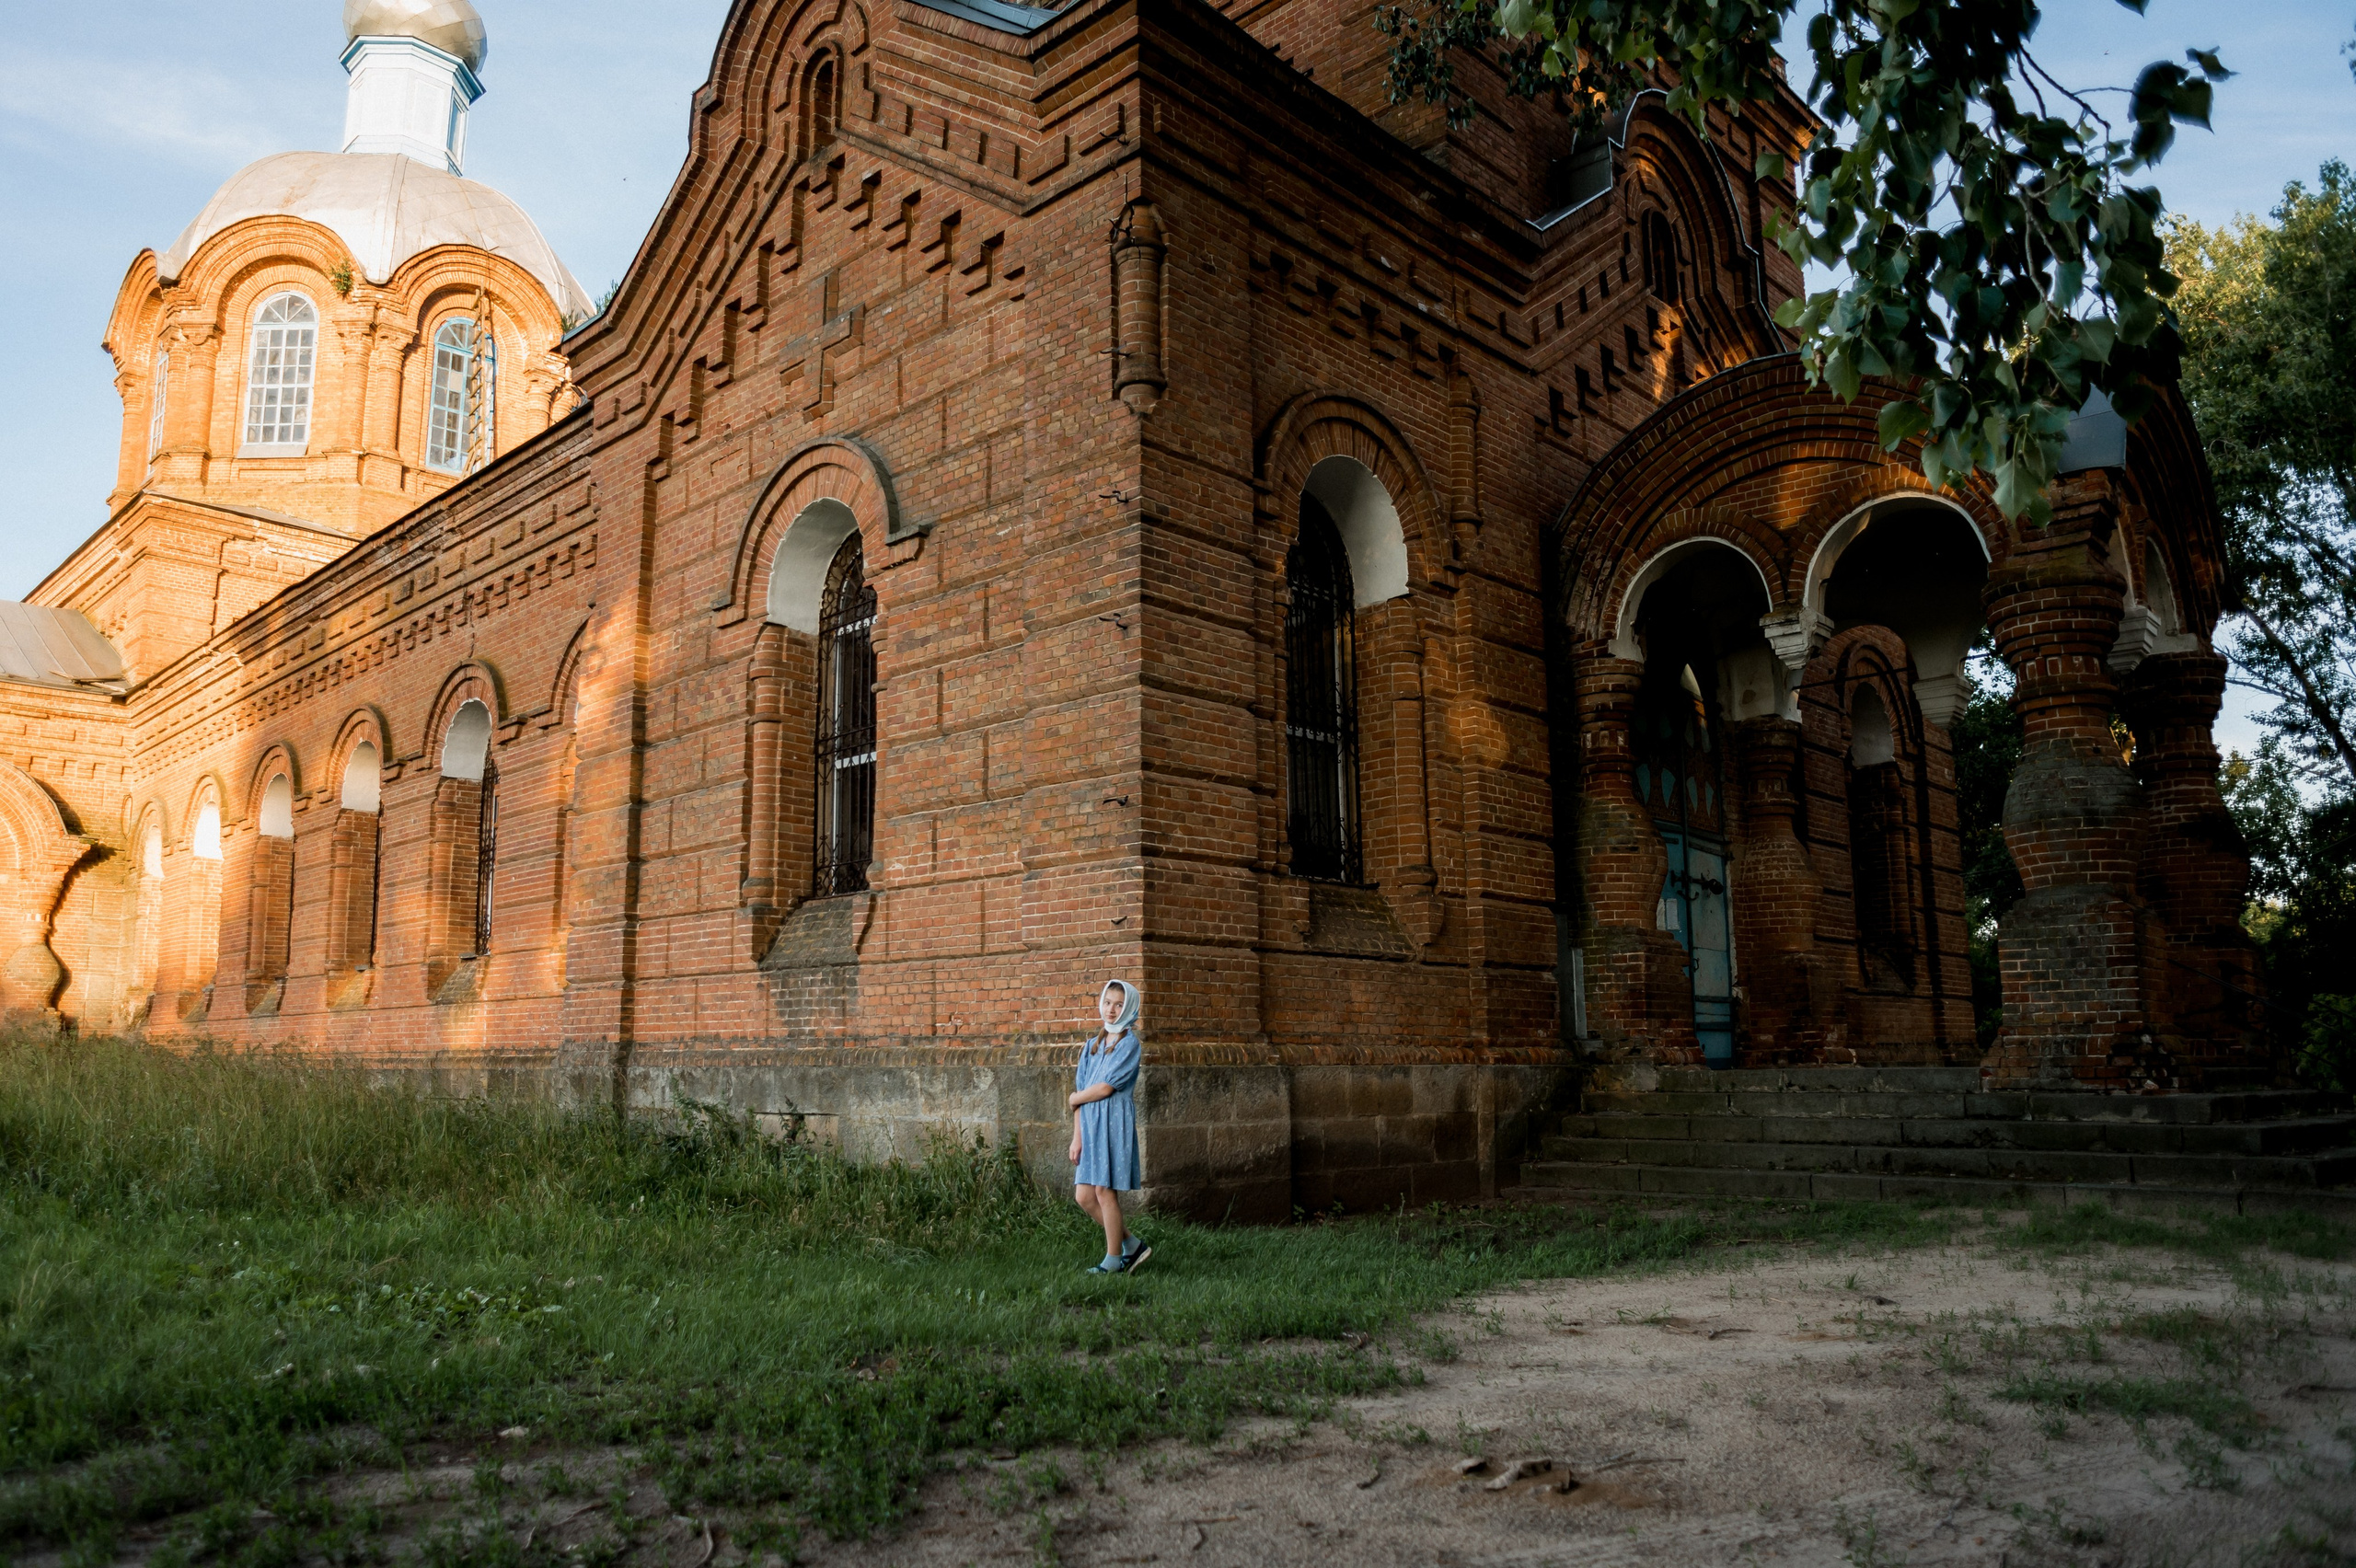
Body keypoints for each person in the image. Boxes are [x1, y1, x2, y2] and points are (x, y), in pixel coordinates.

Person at [1069, 978, 1149, 1274]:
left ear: (1129, 1008)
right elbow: (1081, 1093)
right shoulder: (1092, 1046)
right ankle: (1131, 1244)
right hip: (1089, 1126)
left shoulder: (1129, 1044)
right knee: (1084, 1196)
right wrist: (1077, 1137)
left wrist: (1074, 1097)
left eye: (1118, 1004)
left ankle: (1113, 1261)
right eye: (1107, 1002)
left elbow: (1104, 1088)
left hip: (1113, 1123)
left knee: (1104, 1191)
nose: (1111, 1010)